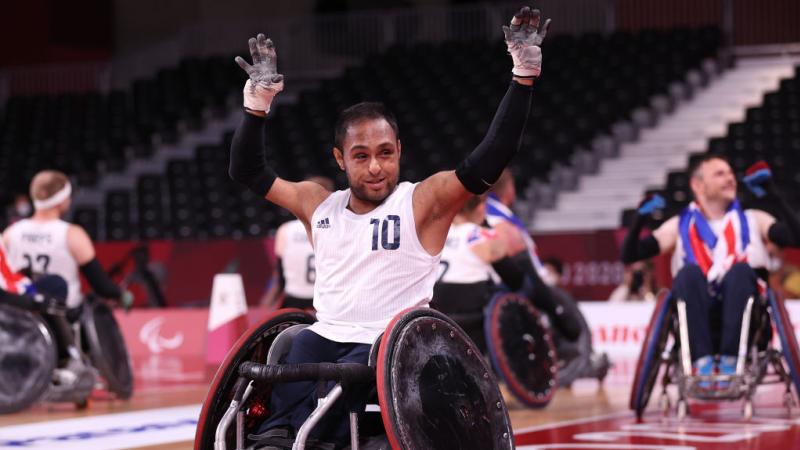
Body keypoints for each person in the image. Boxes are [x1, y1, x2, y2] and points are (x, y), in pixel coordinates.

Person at [227, 6, 546, 448]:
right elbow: (247, 170)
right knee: (291, 355)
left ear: (399, 149)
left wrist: (523, 77)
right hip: (323, 338)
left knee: (334, 404)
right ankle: (277, 438)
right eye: (361, 156)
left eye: (385, 153)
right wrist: (256, 105)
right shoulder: (317, 204)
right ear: (340, 159)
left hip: (389, 349)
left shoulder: (421, 202)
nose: (375, 167)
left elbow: (492, 156)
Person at [621, 155, 800, 382]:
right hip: (696, 320)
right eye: (720, 174)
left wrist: (774, 197)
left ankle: (731, 359)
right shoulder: (679, 225)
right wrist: (639, 220)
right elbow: (629, 255)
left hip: (747, 320)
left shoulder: (754, 219)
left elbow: (796, 238)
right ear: (698, 185)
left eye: (730, 173)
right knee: (688, 274)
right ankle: (701, 361)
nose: (730, 178)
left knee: (740, 271)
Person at [3, 170, 131, 318]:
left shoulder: (10, 233)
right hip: (63, 320)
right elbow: (102, 286)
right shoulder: (72, 234)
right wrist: (121, 294)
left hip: (22, 319)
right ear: (62, 200)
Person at [431, 195, 510, 352]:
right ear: (480, 208)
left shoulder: (433, 233)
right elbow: (514, 277)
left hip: (434, 312)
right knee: (523, 286)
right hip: (471, 316)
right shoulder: (480, 235)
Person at [261, 176, 335, 310]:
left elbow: (279, 276)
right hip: (327, 300)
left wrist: (269, 300)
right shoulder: (339, 226)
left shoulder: (285, 230)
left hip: (295, 301)